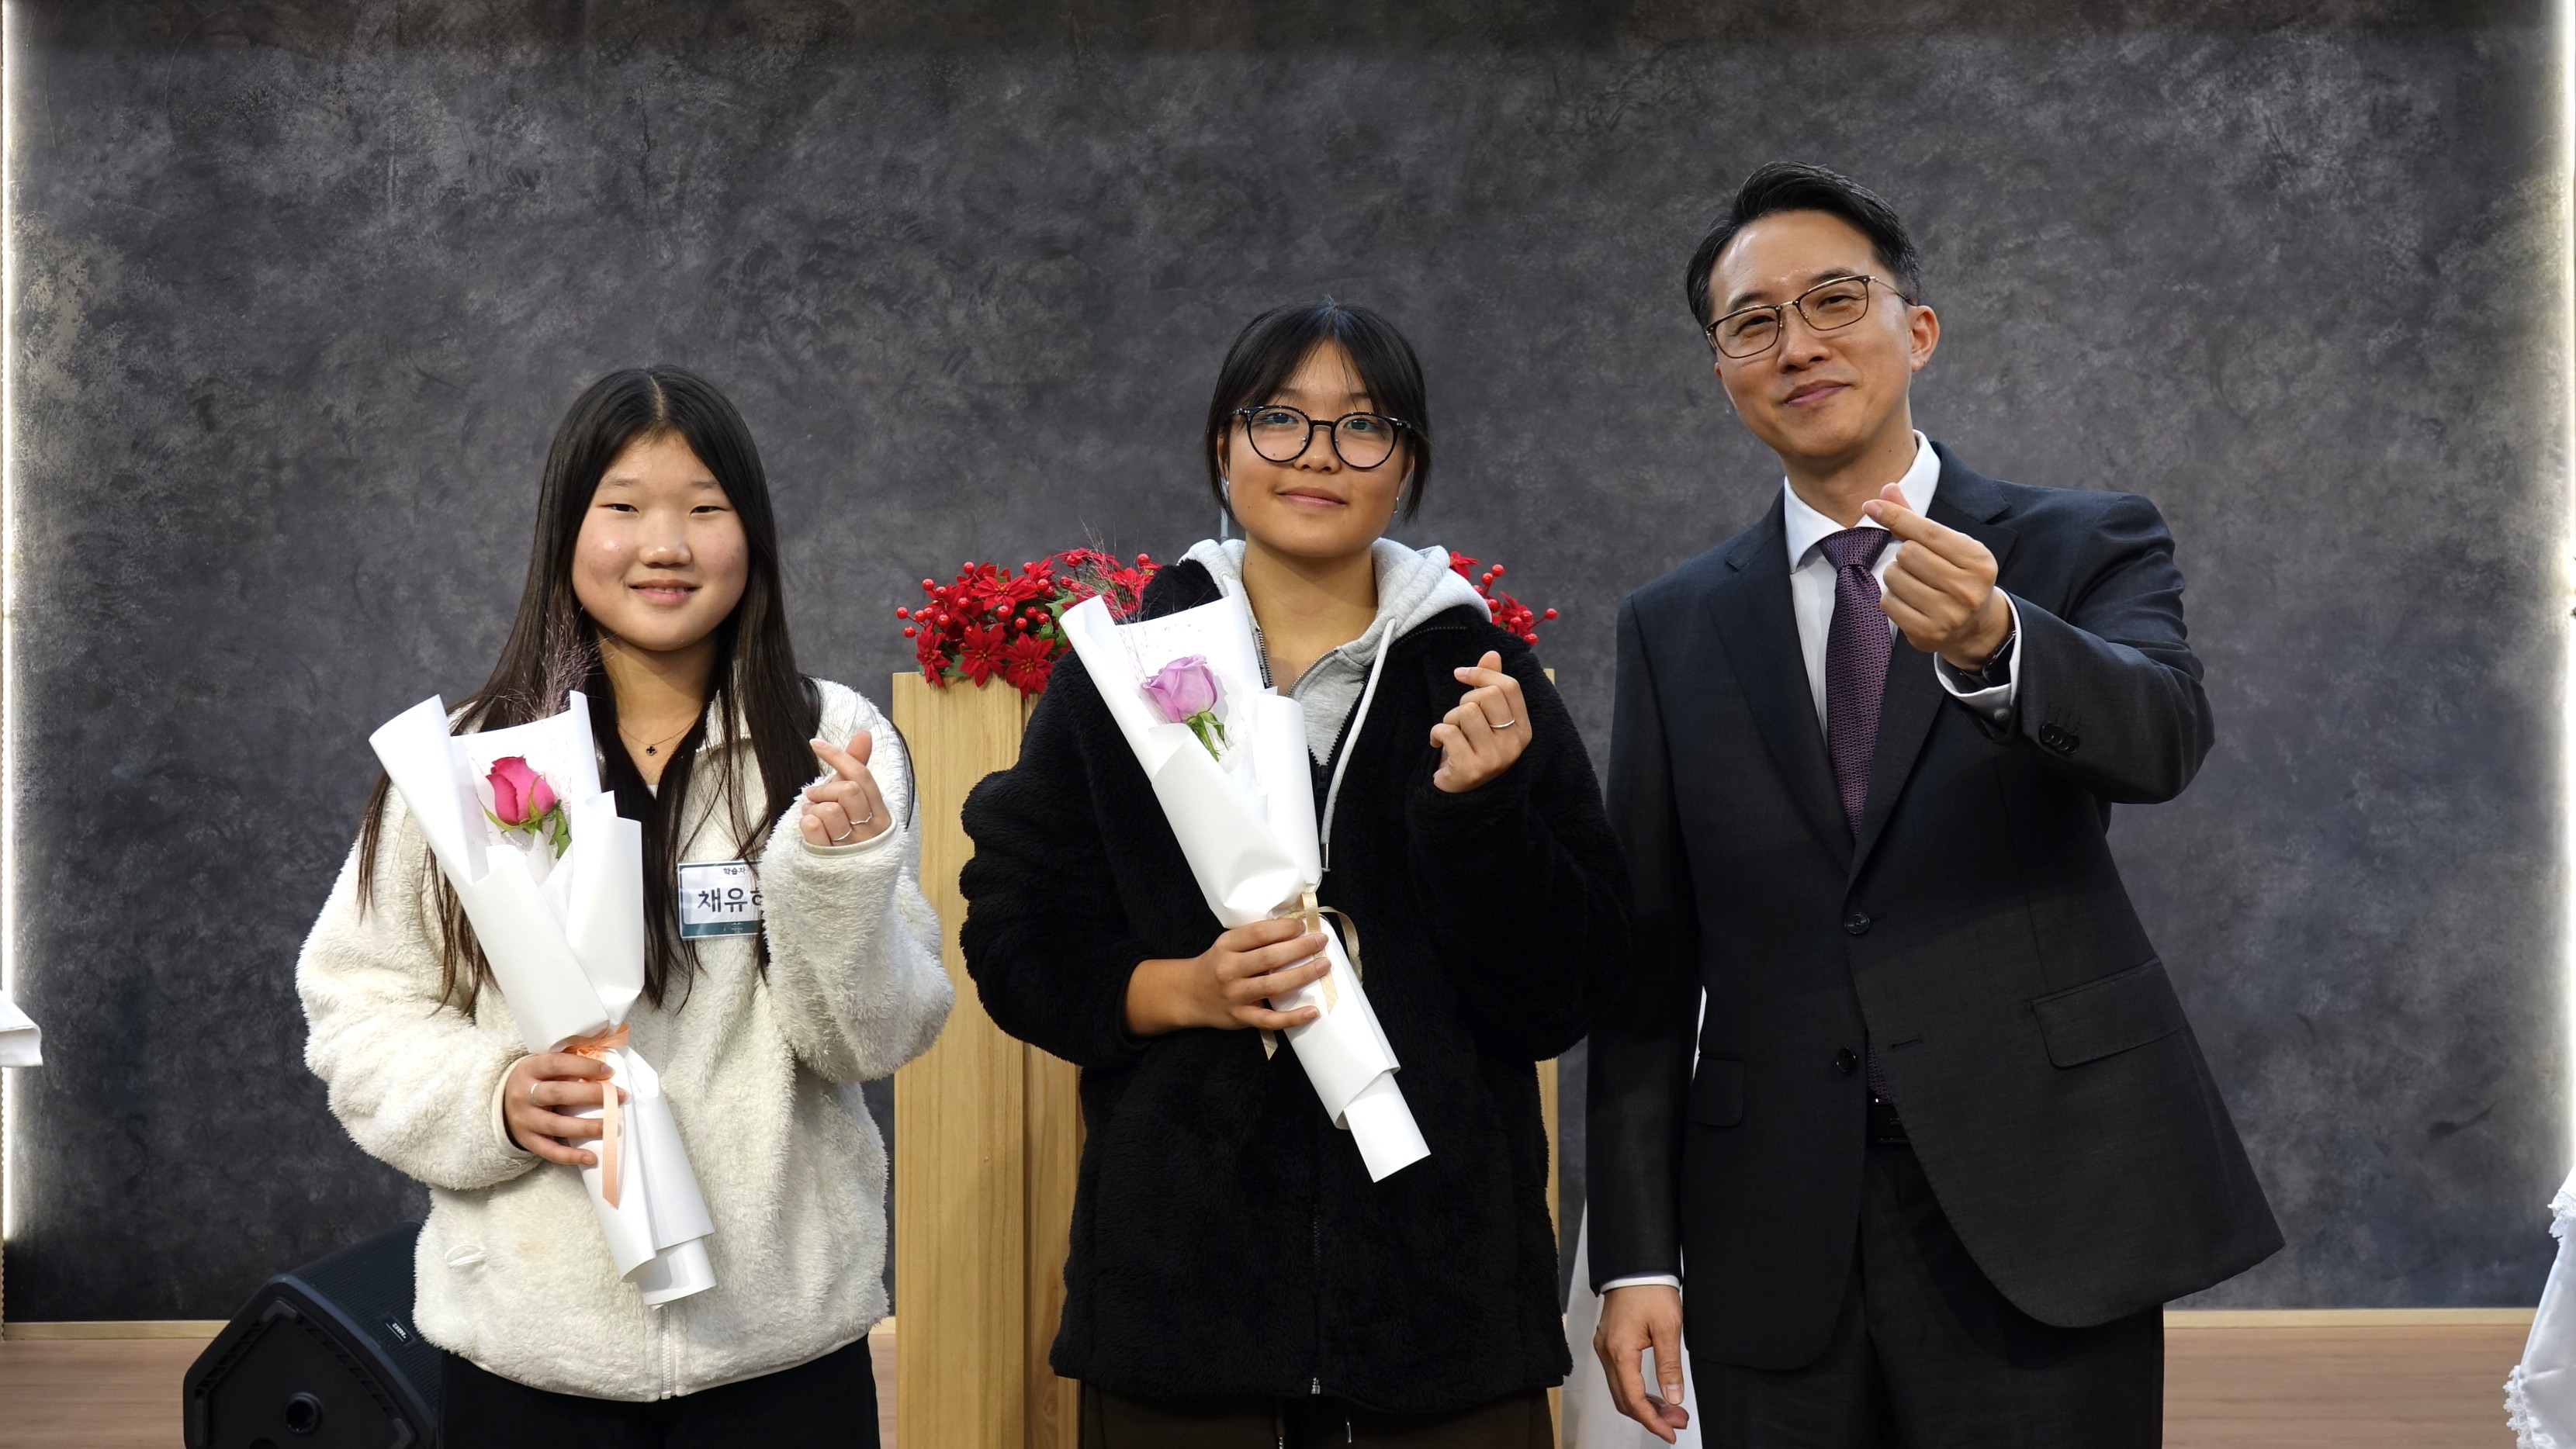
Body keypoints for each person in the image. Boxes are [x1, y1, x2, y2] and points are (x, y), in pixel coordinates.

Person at [1587, 163, 2282, 1447]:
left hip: (2045, 1201)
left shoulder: (2080, 543)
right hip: (1771, 1226)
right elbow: (1646, 966)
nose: (1798, 345)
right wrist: (1635, 1256)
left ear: (1917, 330)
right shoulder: (1672, 625)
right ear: (1725, 374)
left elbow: (2162, 738)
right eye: (1753, 324)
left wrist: (1997, 641)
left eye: (1833, 301)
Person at [960, 300, 1629, 1447]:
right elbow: (1016, 936)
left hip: (1447, 1312)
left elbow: (1565, 990)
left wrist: (1482, 818)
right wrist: (1183, 990)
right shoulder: (1131, 670)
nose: (1318, 454)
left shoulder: (1482, 679)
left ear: (1407, 465)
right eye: (1279, 419)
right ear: (1223, 444)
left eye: (1363, 427)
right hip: (1181, 1308)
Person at [299, 365, 951, 1447]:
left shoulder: (833, 746)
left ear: (753, 534)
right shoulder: (467, 760)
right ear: (566, 530)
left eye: (705, 508)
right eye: (625, 508)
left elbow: (871, 1040)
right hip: (529, 1354)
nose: (666, 545)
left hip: (782, 1350)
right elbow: (358, 1008)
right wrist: (494, 1098)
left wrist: (841, 877)